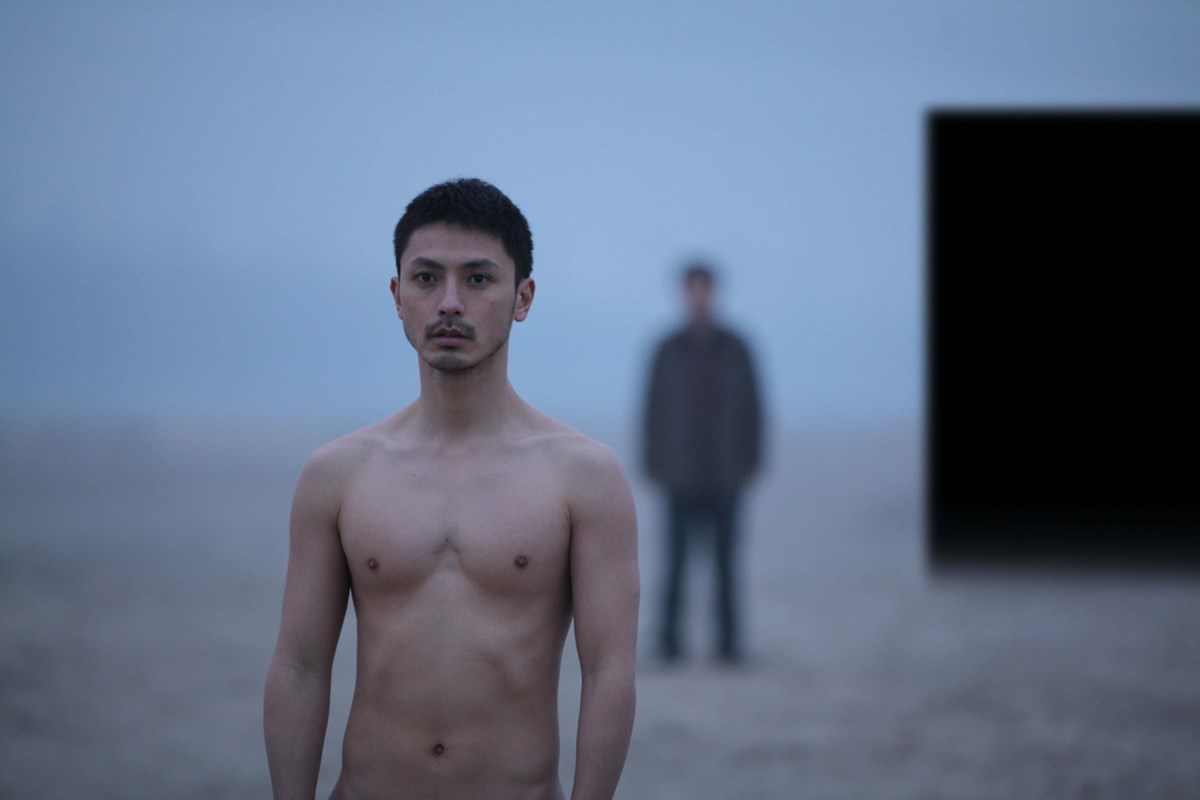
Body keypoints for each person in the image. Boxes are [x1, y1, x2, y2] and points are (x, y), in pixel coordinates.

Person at [264, 178, 639, 800]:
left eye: (478, 279)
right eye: (426, 278)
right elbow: (299, 665)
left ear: (523, 298)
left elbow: (609, 672)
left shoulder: (583, 477)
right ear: (397, 295)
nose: (449, 304)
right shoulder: (339, 474)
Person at [642, 263, 762, 664]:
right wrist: (653, 463)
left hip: (726, 475)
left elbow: (754, 409)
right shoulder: (667, 349)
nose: (698, 297)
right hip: (679, 475)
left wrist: (750, 462)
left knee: (726, 565)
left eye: (704, 289)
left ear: (714, 292)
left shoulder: (736, 347)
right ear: (683, 293)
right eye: (692, 289)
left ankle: (728, 645)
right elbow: (653, 410)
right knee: (674, 564)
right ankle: (669, 644)